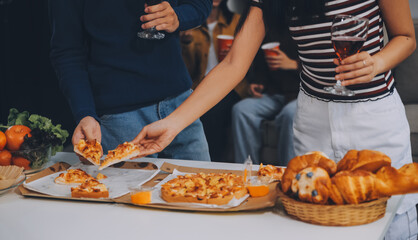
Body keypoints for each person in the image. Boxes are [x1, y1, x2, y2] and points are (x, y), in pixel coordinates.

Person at [132, 0, 417, 238]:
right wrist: (173, 124)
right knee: (315, 227)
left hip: (372, 118)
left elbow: (406, 36)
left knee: (391, 225)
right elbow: (233, 64)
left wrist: (377, 62)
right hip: (313, 121)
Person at [49, 0, 212, 161]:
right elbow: (67, 52)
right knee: (123, 188)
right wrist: (85, 113)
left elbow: (201, 4)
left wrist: (178, 16)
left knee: (208, 186)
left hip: (181, 104)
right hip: (120, 118)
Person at [180, 0, 248, 162]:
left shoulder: (237, 21)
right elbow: (187, 71)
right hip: (201, 85)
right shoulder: (190, 24)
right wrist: (185, 43)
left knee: (213, 108)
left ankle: (216, 161)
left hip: (233, 86)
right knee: (204, 105)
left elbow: (248, 62)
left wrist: (234, 53)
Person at [232, 29, 299, 165]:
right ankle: (247, 170)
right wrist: (259, 82)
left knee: (289, 114)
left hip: (301, 94)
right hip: (275, 94)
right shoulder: (273, 26)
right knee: (241, 109)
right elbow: (261, 65)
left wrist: (294, 64)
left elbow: (322, 64)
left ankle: (286, 172)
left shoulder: (308, 27)